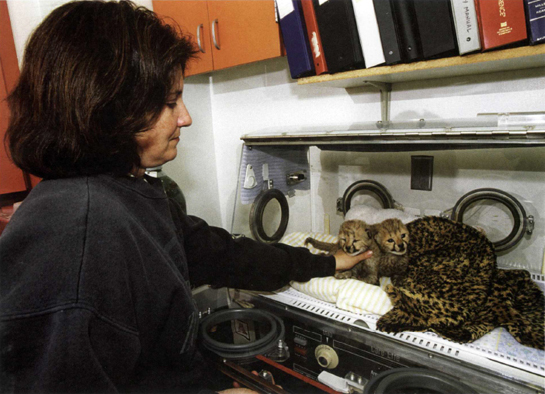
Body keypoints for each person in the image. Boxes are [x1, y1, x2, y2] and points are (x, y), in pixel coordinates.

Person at [0, 1, 372, 393]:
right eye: (169, 102)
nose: (185, 118)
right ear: (108, 107)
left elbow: (218, 253)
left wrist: (325, 262)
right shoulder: (78, 227)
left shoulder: (127, 191)